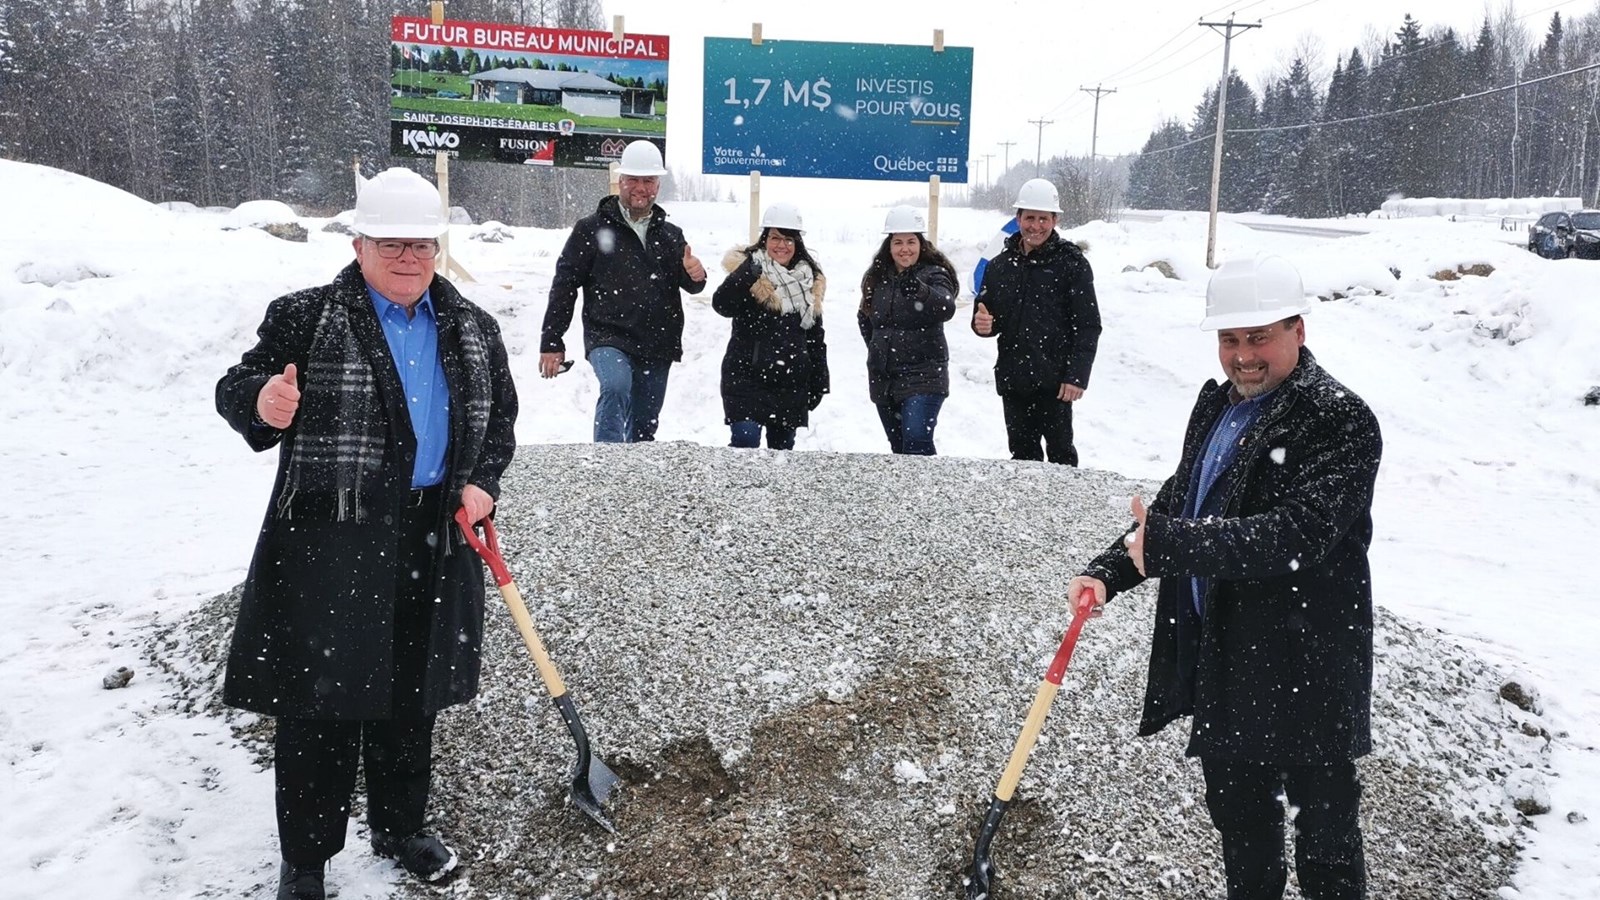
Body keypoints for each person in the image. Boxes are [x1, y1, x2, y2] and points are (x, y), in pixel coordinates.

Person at [215, 168, 519, 900]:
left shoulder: (473, 327)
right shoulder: (306, 317)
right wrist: (262, 400)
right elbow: (238, 386)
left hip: (433, 530)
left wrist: (482, 481)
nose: (408, 258)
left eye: (421, 244)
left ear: (437, 248)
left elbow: (499, 423)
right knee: (320, 701)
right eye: (391, 244)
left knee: (412, 693)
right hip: (333, 535)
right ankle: (306, 859)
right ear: (359, 246)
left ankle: (400, 826)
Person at [1067, 255, 1382, 900]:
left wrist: (1169, 543)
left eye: (1258, 337)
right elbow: (1183, 498)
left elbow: (1295, 536)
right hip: (1228, 656)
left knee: (1325, 840)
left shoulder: (1339, 419)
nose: (1243, 356)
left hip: (1308, 661)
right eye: (1230, 339)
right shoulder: (1219, 406)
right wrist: (1110, 570)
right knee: (1243, 832)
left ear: (1298, 329)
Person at [539, 139, 707, 442]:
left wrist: (696, 274)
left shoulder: (671, 235)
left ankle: (635, 470)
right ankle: (606, 461)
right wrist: (552, 340)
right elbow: (565, 285)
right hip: (608, 336)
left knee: (643, 428)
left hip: (657, 342)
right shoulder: (590, 229)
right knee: (615, 386)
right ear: (621, 181)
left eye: (648, 181)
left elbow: (693, 284)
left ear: (658, 185)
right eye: (633, 180)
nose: (641, 188)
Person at [971, 177, 1101, 465]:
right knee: (1022, 458)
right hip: (1013, 379)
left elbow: (1088, 325)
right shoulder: (999, 266)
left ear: (1055, 220)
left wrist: (1076, 375)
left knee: (1061, 458)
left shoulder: (1072, 264)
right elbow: (985, 316)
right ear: (1018, 219)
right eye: (1030, 218)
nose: (1036, 226)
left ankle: (1065, 496)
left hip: (1056, 382)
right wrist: (982, 325)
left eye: (1044, 219)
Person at [712, 202, 829, 449]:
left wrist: (819, 381)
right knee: (745, 443)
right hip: (745, 379)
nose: (781, 245)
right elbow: (721, 305)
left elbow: (815, 337)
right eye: (775, 237)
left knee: (781, 454)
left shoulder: (809, 282)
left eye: (789, 239)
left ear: (797, 243)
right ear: (765, 239)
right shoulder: (750, 271)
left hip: (789, 383)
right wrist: (744, 275)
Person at [857, 205, 958, 455]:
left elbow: (946, 307)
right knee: (899, 448)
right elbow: (865, 319)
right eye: (898, 242)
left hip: (924, 376)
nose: (905, 249)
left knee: (916, 442)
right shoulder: (877, 277)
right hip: (884, 378)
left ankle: (926, 482)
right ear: (889, 246)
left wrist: (922, 292)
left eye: (911, 242)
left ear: (921, 244)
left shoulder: (934, 274)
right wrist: (879, 348)